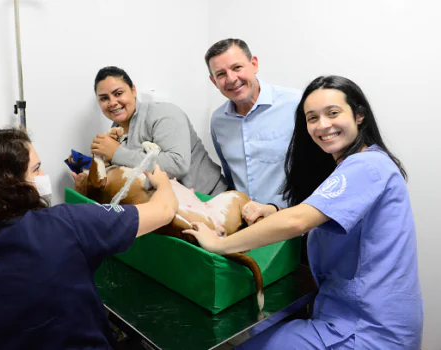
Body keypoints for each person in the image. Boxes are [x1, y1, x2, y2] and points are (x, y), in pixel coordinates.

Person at [184, 76, 423, 349]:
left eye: (333, 113)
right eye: (312, 118)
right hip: (349, 312)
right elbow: (321, 216)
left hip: (365, 327)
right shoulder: (356, 165)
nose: (322, 125)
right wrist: (273, 211)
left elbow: (299, 220)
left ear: (359, 116)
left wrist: (219, 244)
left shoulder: (366, 166)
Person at [0, 128, 178, 350]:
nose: (43, 177)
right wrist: (163, 183)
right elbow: (164, 211)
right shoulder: (65, 225)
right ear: (9, 182)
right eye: (36, 169)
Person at [88, 66, 227, 196]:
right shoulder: (115, 129)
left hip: (210, 199)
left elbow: (177, 165)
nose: (112, 102)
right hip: (169, 207)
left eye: (118, 93)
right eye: (104, 98)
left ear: (133, 90)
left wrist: (117, 153)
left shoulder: (164, 114)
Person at [205, 38, 301, 212]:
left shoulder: (296, 105)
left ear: (254, 64)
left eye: (237, 68)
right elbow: (231, 175)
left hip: (291, 225)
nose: (231, 79)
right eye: (221, 74)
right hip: (244, 224)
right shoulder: (218, 121)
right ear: (214, 82)